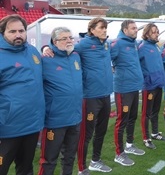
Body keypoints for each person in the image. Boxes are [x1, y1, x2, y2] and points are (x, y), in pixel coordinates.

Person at [42, 17, 113, 174]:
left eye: (70, 38)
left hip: (100, 97)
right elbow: (58, 50)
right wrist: (46, 47)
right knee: (83, 136)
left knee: (97, 133)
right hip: (87, 99)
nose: (105, 30)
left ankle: (95, 160)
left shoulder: (101, 46)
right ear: (92, 29)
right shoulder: (80, 47)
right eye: (101, 27)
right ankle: (82, 167)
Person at [0, 14, 45, 175]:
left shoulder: (32, 51)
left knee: (26, 169)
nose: (18, 34)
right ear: (3, 32)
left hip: (31, 125)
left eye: (21, 30)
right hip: (7, 129)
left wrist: (47, 49)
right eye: (12, 31)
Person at [38, 27, 83, 175]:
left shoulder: (75, 56)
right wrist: (44, 48)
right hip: (55, 121)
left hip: (75, 118)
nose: (69, 41)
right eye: (65, 38)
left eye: (71, 37)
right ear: (55, 41)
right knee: (49, 160)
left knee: (69, 157)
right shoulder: (45, 59)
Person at [110, 20, 145, 167]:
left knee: (132, 117)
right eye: (133, 28)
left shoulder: (133, 43)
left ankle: (130, 144)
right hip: (123, 89)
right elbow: (106, 57)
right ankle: (119, 153)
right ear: (125, 30)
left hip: (134, 87)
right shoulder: (117, 43)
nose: (136, 30)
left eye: (136, 28)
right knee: (122, 120)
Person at [138, 23, 165, 149]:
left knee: (155, 111)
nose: (157, 34)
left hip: (158, 83)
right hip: (149, 85)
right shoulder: (142, 47)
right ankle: (146, 138)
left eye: (157, 31)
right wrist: (145, 78)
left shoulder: (156, 46)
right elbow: (137, 64)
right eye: (154, 32)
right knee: (147, 113)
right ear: (147, 34)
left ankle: (155, 133)